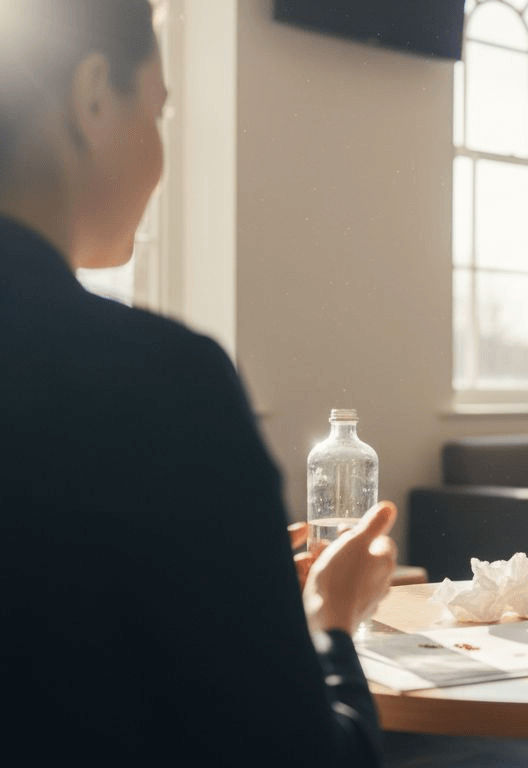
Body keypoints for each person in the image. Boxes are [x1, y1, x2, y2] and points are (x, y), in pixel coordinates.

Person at [0, 1, 398, 764]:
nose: (158, 153)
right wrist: (327, 623)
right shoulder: (160, 388)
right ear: (91, 98)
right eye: (155, 113)